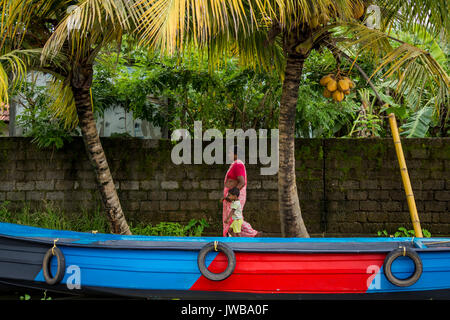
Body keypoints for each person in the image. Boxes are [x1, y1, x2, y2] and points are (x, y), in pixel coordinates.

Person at [222, 146, 260, 237]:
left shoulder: (238, 164)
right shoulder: (235, 164)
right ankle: (233, 237)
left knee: (235, 217)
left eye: (230, 152)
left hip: (234, 196)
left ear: (236, 155)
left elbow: (242, 182)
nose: (228, 154)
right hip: (232, 195)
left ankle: (252, 233)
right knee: (233, 217)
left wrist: (232, 195)